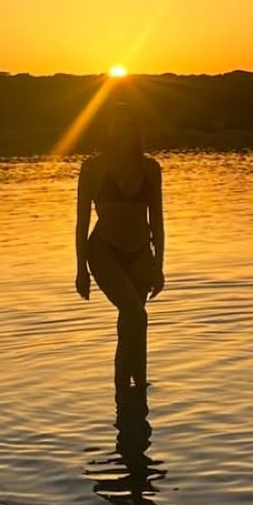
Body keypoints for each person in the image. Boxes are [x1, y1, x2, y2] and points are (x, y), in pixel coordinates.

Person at [74, 105, 165, 405]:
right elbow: (82, 222)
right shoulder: (93, 169)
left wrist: (159, 266)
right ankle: (122, 394)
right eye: (118, 125)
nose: (123, 131)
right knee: (136, 314)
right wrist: (81, 270)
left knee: (132, 324)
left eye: (129, 125)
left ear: (135, 131)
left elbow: (158, 221)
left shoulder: (150, 169)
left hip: (141, 252)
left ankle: (136, 391)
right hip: (104, 252)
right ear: (109, 129)